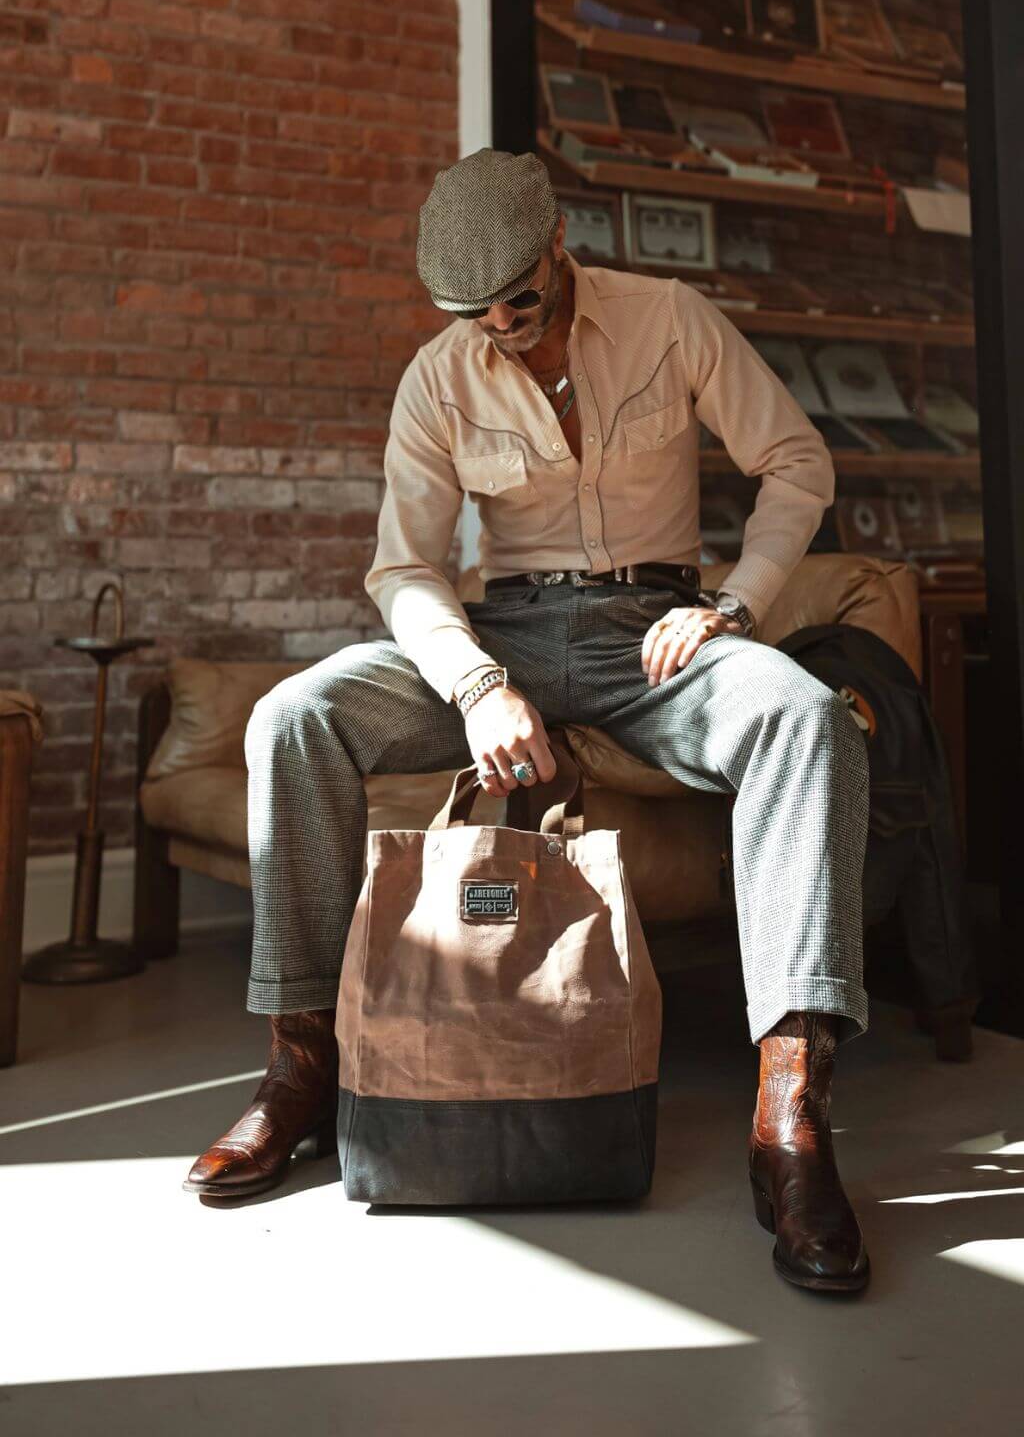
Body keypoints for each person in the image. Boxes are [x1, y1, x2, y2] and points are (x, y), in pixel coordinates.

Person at [184, 149, 871, 1294]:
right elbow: (403, 569)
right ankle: (299, 1067)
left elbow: (796, 461)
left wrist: (730, 606)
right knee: (293, 717)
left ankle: (790, 1112)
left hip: (654, 630)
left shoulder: (670, 318)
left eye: (518, 301)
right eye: (472, 314)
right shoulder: (437, 376)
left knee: (804, 718)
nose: (500, 329)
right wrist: (472, 684)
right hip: (497, 635)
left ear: (559, 244)